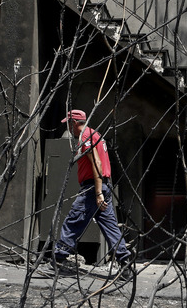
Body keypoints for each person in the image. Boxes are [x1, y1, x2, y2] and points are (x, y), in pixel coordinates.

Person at [51, 109, 132, 275]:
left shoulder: (85, 136)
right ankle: (125, 264)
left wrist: (97, 193)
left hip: (93, 188)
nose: (68, 128)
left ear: (74, 122)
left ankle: (59, 258)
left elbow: (97, 163)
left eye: (68, 124)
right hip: (104, 186)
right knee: (110, 227)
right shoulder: (95, 134)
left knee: (74, 220)